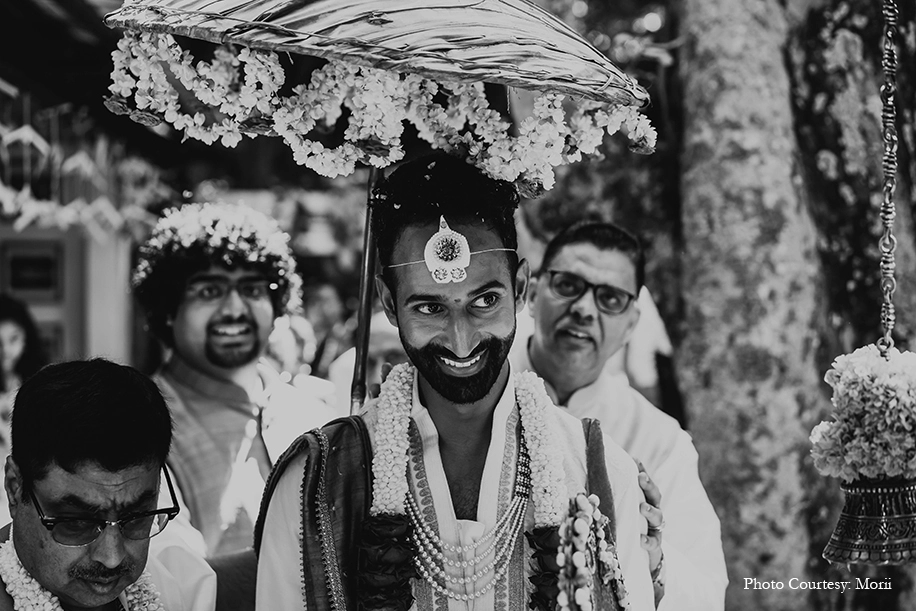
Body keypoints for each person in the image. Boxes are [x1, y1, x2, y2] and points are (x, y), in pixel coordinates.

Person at [254, 154, 655, 611]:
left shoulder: (599, 474)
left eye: (484, 300)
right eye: (429, 307)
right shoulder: (315, 483)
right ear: (389, 302)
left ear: (521, 288)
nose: (461, 340)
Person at [512, 221, 728, 610]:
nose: (583, 309)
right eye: (567, 285)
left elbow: (707, 597)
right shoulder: (478, 397)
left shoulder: (659, 441)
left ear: (631, 323)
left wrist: (653, 558)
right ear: (531, 291)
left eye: (609, 298)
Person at [132, 202, 337, 556]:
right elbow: (172, 583)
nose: (234, 309)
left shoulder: (314, 413)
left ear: (277, 305)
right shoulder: (139, 425)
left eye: (252, 290)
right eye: (209, 291)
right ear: (167, 310)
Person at [0, 358, 215, 611]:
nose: (112, 558)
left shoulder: (179, 583)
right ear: (15, 488)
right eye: (77, 523)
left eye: (136, 517)